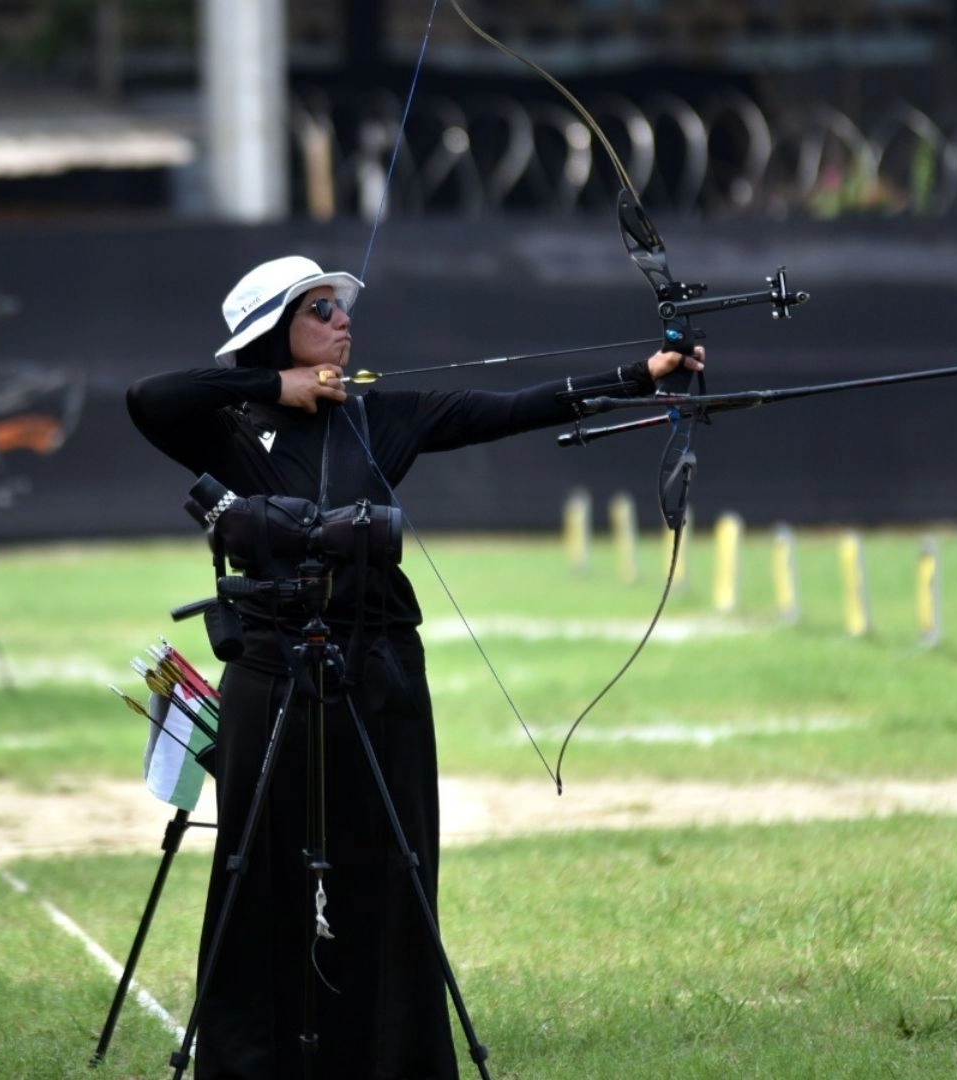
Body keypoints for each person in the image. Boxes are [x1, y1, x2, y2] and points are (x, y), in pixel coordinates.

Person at [125, 255, 704, 1079]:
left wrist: (643, 376)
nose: (341, 318)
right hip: (269, 668)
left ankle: (392, 1056)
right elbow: (148, 398)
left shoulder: (378, 419)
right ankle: (255, 1058)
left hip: (376, 665)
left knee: (393, 861)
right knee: (258, 863)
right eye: (318, 308)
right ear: (275, 330)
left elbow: (506, 409)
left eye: (340, 306)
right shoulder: (224, 426)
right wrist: (276, 387)